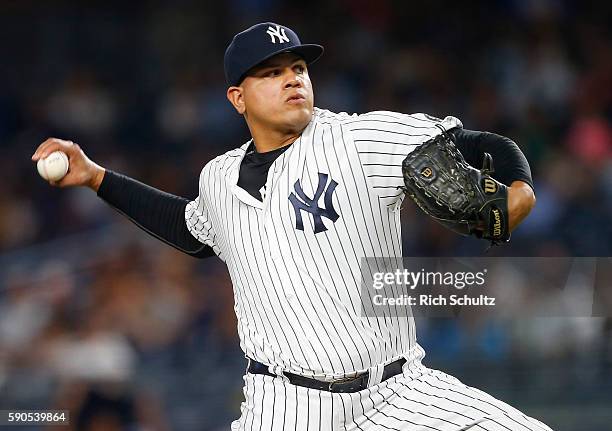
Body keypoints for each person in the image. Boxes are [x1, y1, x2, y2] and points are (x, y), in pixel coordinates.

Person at [33, 22, 550, 431]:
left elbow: (488, 147)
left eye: (298, 66)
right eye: (271, 72)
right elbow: (190, 232)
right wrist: (97, 178)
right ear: (238, 98)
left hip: (397, 393)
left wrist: (519, 190)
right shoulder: (218, 179)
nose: (292, 78)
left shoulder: (359, 139)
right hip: (284, 406)